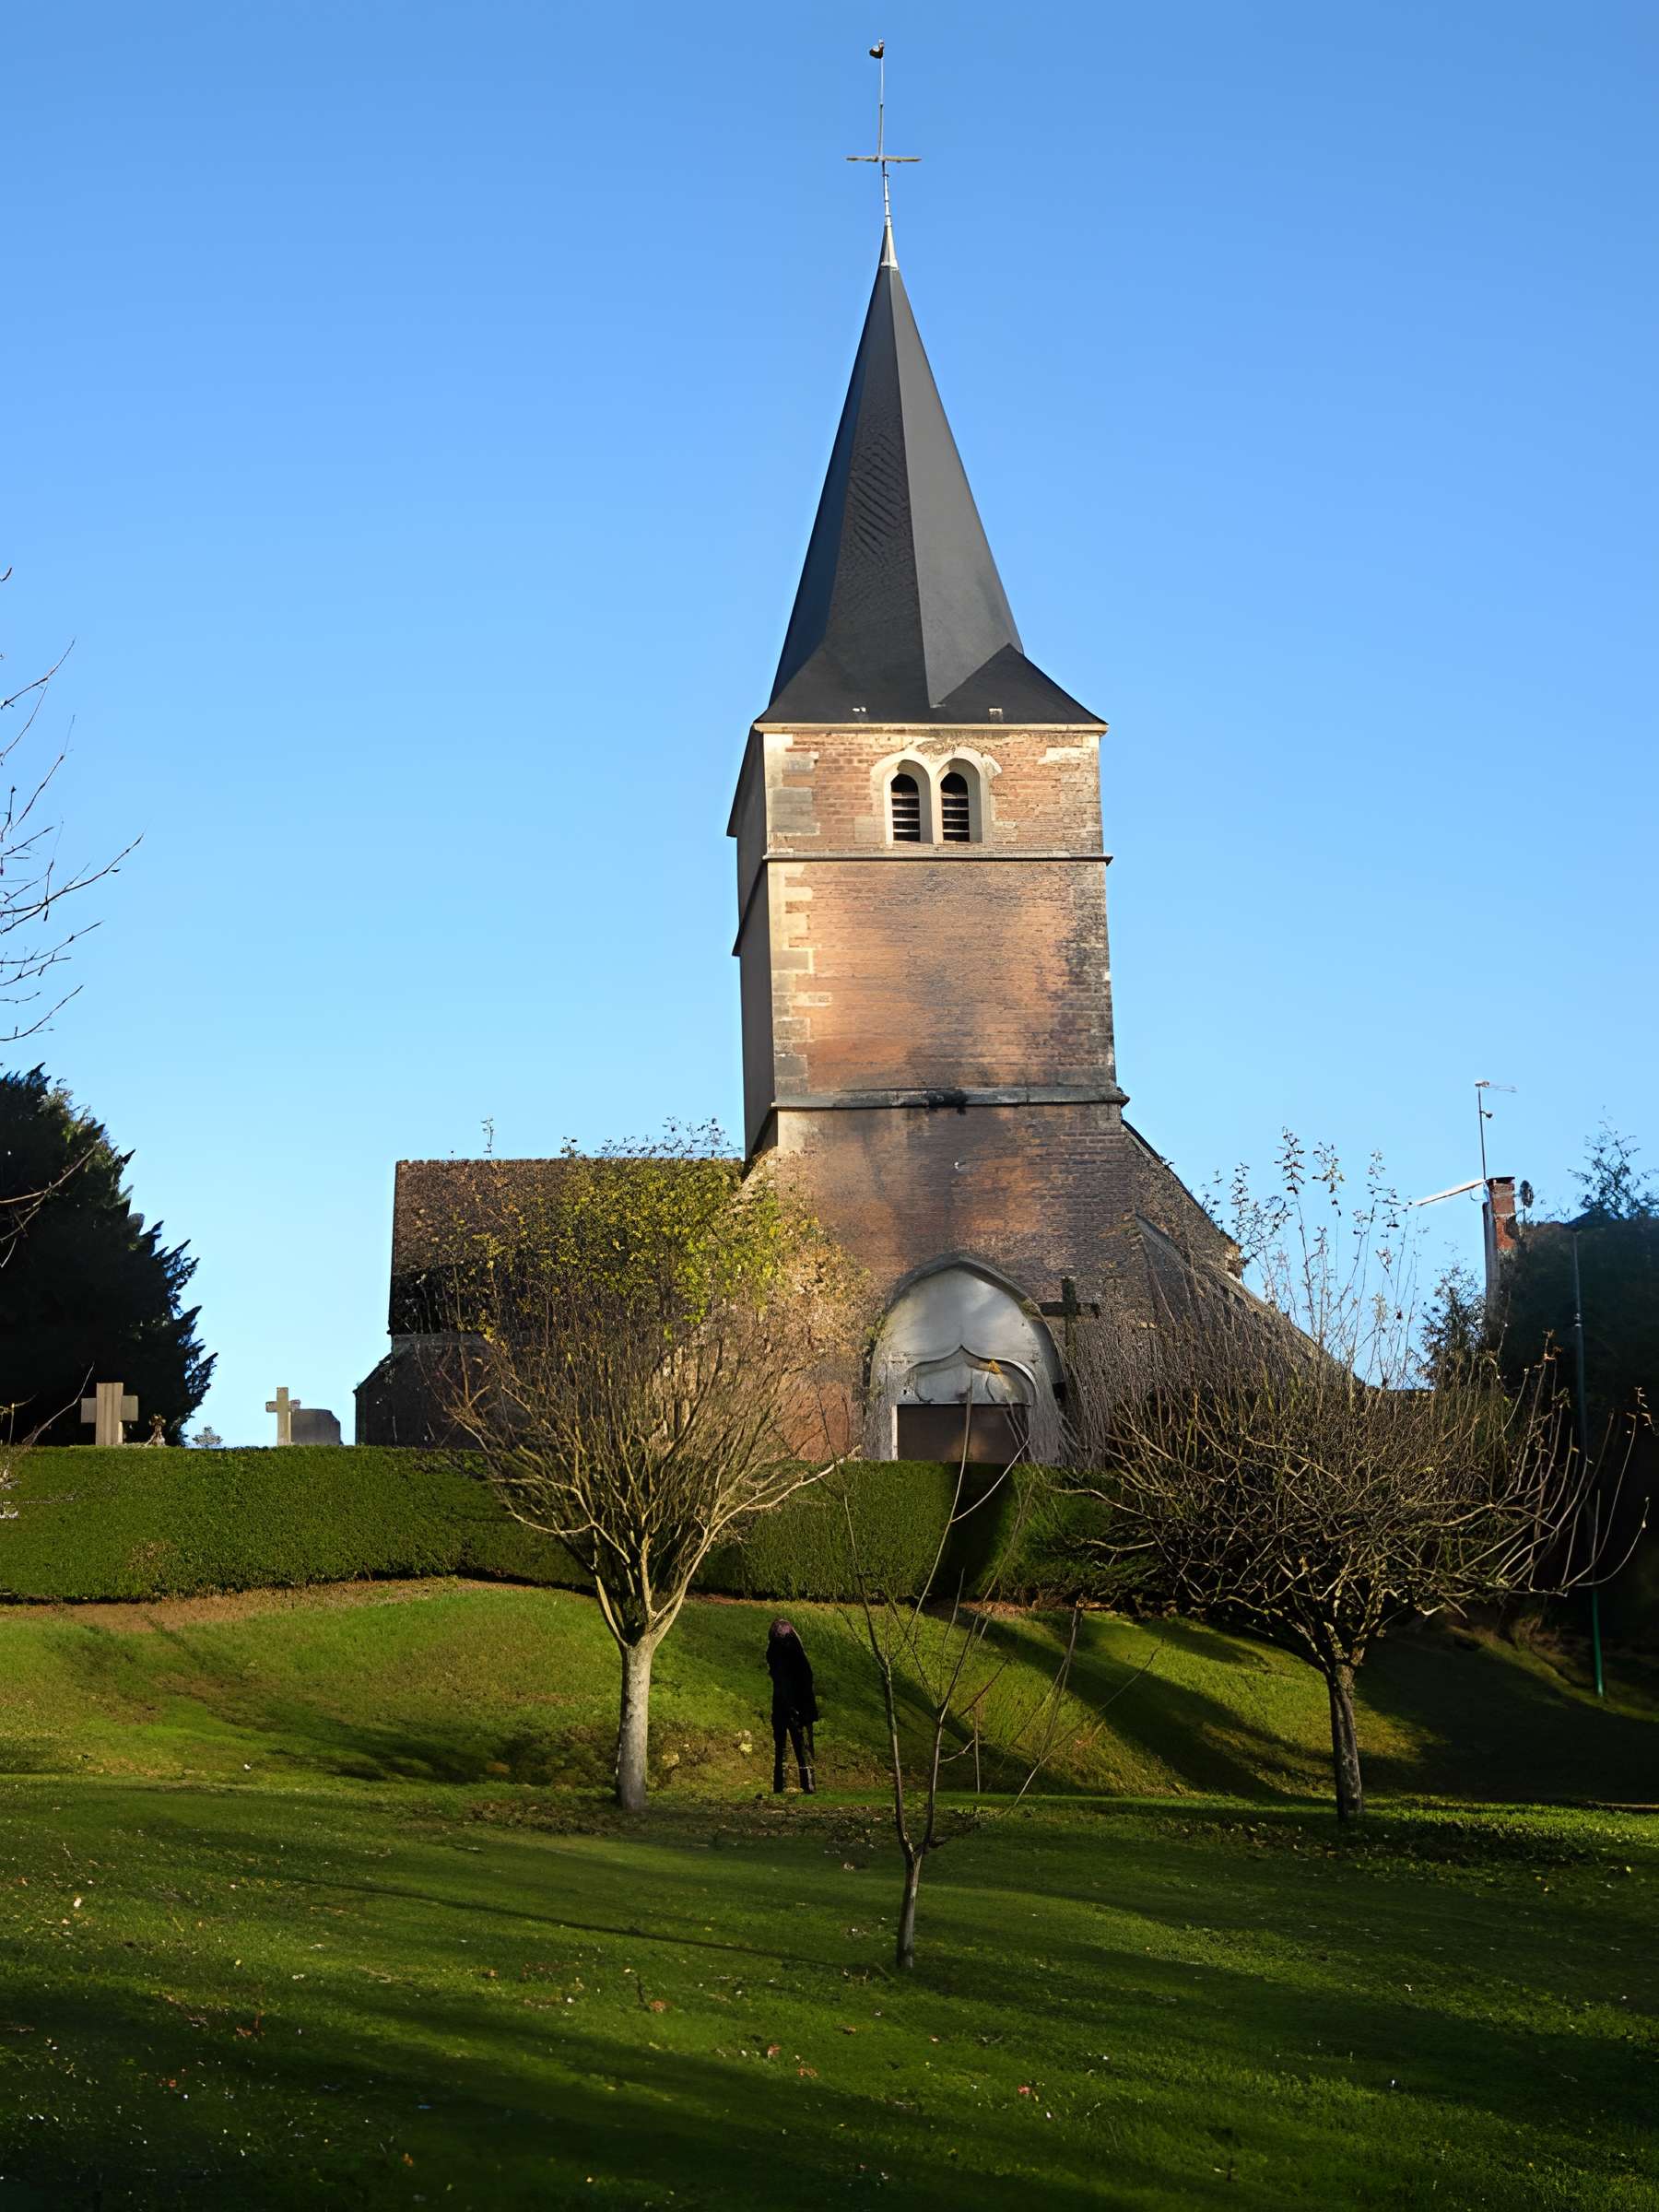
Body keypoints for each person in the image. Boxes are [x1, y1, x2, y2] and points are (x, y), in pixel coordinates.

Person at [766, 1618, 818, 1794]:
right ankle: (806, 1783)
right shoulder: (793, 1653)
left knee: (785, 1745)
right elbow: (805, 1678)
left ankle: (782, 1784)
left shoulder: (776, 1652)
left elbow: (783, 1678)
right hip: (790, 1704)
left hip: (786, 1703)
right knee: (797, 1744)